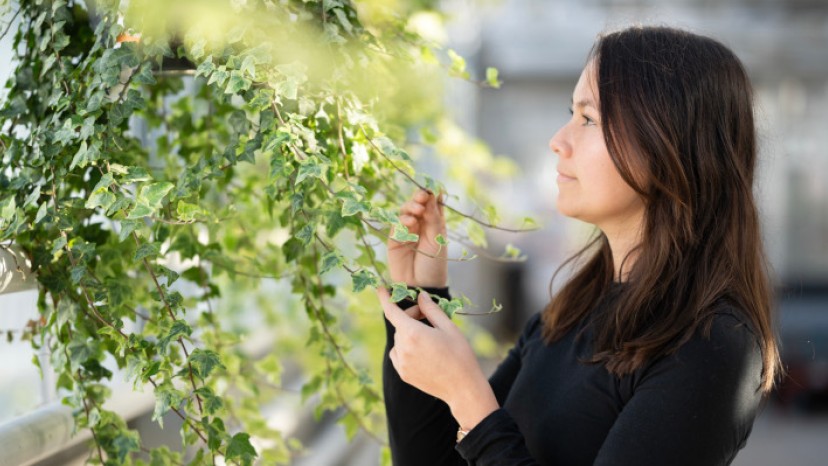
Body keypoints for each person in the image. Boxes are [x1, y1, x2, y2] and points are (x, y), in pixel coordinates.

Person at [376, 25, 781, 466]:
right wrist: (420, 293)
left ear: (669, 142)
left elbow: (482, 433)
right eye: (572, 113)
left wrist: (469, 399)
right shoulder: (568, 313)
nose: (558, 141)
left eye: (588, 119)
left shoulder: (712, 344)